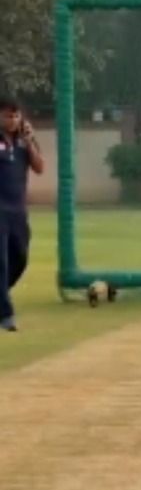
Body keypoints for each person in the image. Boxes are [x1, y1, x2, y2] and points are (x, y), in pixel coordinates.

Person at [0, 96, 44, 332]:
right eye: (8, 115)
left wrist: (30, 142)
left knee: (20, 258)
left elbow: (39, 168)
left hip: (18, 211)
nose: (13, 120)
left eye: (16, 115)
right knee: (1, 262)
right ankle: (6, 315)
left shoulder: (24, 141)